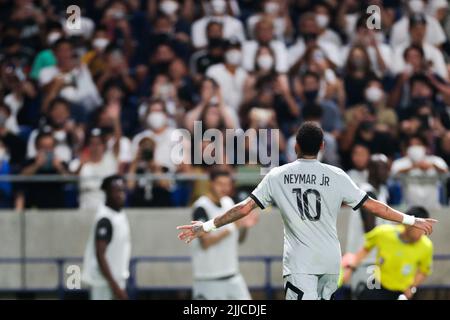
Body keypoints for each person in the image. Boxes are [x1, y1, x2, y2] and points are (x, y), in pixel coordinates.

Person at [177, 122, 437, 300]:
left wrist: (207, 226)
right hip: (330, 261)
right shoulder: (337, 175)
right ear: (323, 146)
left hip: (301, 263)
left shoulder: (278, 175)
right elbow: (372, 205)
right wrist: (411, 219)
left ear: (296, 147)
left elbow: (244, 208)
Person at [190, 169, 258, 300]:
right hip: (208, 280)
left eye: (227, 184)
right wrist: (232, 227)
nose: (224, 188)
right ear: (210, 184)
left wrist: (244, 227)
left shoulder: (229, 203)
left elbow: (239, 240)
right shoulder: (201, 207)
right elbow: (205, 242)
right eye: (220, 184)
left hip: (233, 276)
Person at [344, 206, 433, 300]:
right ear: (407, 224)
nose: (422, 232)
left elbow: (424, 271)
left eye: (425, 228)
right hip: (378, 285)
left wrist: (411, 287)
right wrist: (350, 269)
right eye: (419, 227)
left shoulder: (427, 246)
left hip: (401, 291)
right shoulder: (384, 232)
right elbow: (365, 249)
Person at [82, 175, 131, 300]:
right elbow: (100, 255)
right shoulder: (105, 219)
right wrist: (115, 287)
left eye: (122, 190)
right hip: (104, 284)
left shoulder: (119, 214)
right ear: (108, 193)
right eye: (117, 191)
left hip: (116, 281)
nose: (121, 195)